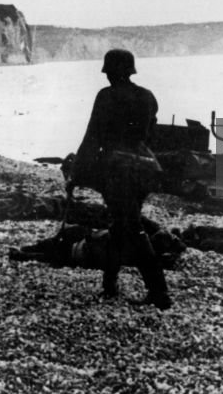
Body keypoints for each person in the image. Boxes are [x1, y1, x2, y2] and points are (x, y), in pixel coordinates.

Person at [69, 48, 170, 310]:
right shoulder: (148, 97)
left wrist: (76, 174)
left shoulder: (106, 96)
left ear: (111, 72)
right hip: (147, 169)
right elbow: (151, 136)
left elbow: (92, 138)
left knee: (132, 227)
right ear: (131, 70)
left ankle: (160, 294)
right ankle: (109, 285)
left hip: (118, 170)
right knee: (121, 224)